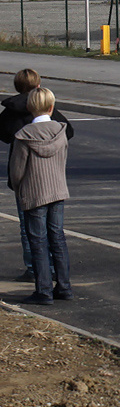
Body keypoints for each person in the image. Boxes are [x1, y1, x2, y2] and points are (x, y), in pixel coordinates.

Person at [1, 70, 73, 284]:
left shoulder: (18, 124)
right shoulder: (57, 124)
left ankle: (36, 273)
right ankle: (62, 282)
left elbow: (16, 168)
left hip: (30, 184)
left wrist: (17, 185)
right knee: (56, 235)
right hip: (55, 183)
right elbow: (68, 134)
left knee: (32, 232)